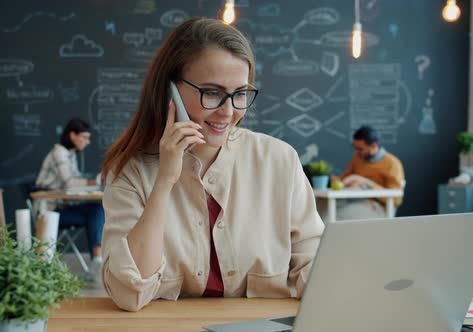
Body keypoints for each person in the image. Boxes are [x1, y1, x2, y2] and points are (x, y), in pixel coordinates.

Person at [100, 17, 324, 312]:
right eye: (213, 93)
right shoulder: (131, 170)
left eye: (240, 94)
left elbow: (314, 263)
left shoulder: (279, 159)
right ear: (171, 91)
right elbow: (129, 292)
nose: (228, 112)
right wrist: (165, 179)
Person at [35, 117, 104, 277]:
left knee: (96, 209)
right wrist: (96, 181)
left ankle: (97, 258)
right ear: (73, 135)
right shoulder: (59, 153)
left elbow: (76, 180)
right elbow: (70, 183)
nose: (87, 142)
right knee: (95, 211)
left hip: (61, 208)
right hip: (49, 213)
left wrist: (93, 183)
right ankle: (97, 258)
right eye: (85, 137)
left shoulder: (70, 155)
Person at [328, 125, 405, 220]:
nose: (356, 152)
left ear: (373, 146)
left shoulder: (392, 163)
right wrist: (337, 180)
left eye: (360, 149)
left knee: (334, 215)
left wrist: (368, 185)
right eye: (354, 148)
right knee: (323, 209)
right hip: (354, 201)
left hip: (376, 207)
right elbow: (344, 179)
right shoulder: (358, 159)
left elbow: (396, 200)